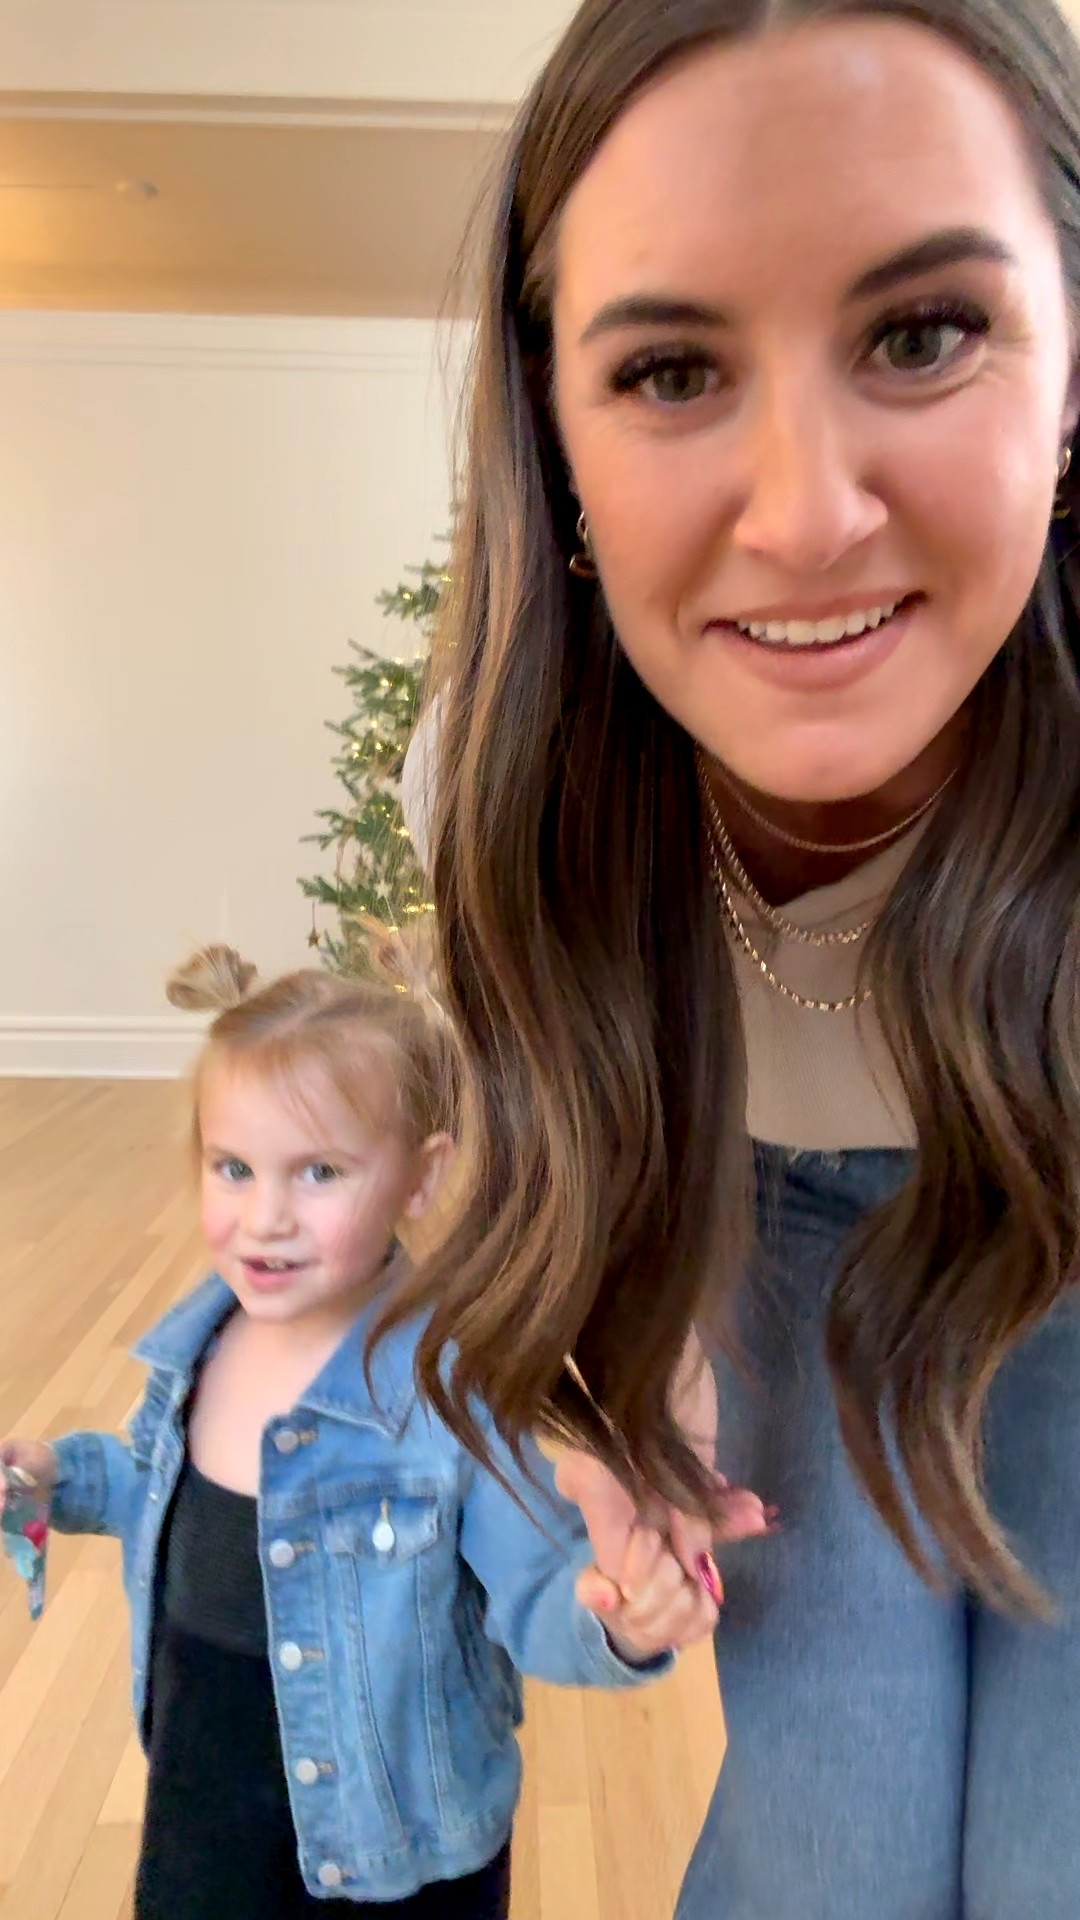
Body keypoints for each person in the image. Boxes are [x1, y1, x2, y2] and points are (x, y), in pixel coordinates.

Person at [393, 2, 1080, 1914]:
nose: (806, 517)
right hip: (766, 1232)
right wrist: (610, 1372)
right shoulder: (506, 781)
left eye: (922, 335)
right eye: (674, 368)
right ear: (557, 433)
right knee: (832, 1849)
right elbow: (543, 1136)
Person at [0, 941, 745, 1920]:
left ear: (420, 1178)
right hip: (204, 1817)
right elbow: (155, 1483)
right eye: (234, 1169)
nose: (266, 1217)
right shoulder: (199, 1345)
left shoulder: (449, 1392)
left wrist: (619, 1620)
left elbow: (537, 1592)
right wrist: (57, 1476)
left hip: (399, 1858)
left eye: (318, 1172)